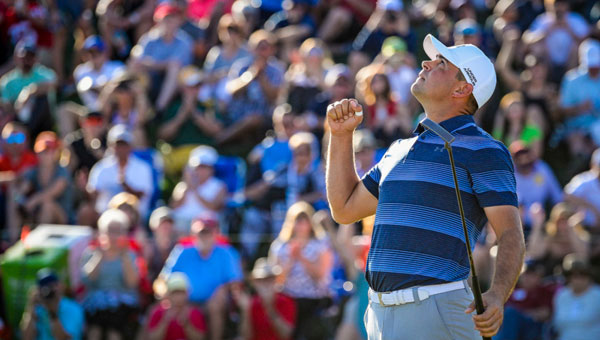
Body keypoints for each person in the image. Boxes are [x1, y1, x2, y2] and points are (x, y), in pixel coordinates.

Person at [326, 34, 525, 339]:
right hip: (379, 312)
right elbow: (344, 208)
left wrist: (497, 294)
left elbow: (510, 232)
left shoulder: (486, 149)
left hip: (437, 309)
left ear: (462, 88)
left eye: (441, 63)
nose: (426, 62)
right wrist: (341, 137)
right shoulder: (398, 148)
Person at [157, 215, 242, 340]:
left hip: (214, 303)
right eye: (201, 232)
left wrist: (223, 289)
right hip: (184, 301)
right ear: (193, 234)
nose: (204, 236)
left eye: (208, 232)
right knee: (157, 311)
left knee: (215, 305)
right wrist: (164, 295)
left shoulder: (226, 252)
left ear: (216, 233)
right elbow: (163, 279)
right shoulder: (182, 251)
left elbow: (235, 282)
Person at [269, 201, 333, 340]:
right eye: (297, 221)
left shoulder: (320, 245)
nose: (300, 226)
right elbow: (276, 279)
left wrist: (301, 257)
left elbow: (321, 275)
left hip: (314, 298)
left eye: (304, 221)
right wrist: (291, 259)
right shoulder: (280, 247)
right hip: (287, 298)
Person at [80, 209, 141, 340]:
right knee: (94, 331)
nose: (113, 235)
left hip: (122, 304)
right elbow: (87, 280)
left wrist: (124, 256)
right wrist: (100, 255)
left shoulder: (130, 255)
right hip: (96, 303)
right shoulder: (91, 253)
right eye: (110, 230)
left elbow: (131, 283)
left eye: (118, 231)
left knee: (114, 332)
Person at [130, 2, 193, 111]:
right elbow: (138, 62)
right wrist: (163, 64)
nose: (169, 23)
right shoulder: (149, 39)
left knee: (174, 68)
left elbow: (177, 65)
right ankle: (145, 110)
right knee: (134, 68)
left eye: (173, 19)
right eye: (166, 19)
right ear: (158, 21)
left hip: (176, 83)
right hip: (151, 78)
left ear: (178, 21)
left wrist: (152, 64)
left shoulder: (184, 41)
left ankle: (159, 109)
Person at [86, 124, 154, 219]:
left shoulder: (142, 168)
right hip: (104, 215)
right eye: (117, 145)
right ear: (111, 146)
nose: (121, 149)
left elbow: (143, 195)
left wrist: (125, 186)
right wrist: (88, 190)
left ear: (130, 146)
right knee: (85, 212)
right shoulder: (101, 168)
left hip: (134, 216)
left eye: (124, 145)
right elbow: (92, 193)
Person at [0, 39, 57, 139]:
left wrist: (28, 92)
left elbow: (53, 84)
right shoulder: (7, 82)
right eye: (24, 57)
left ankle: (28, 134)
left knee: (42, 98)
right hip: (18, 122)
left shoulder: (43, 74)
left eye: (30, 57)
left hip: (43, 123)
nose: (27, 60)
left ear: (36, 58)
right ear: (16, 58)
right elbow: (7, 106)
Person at [233, 257, 296, 340]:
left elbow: (286, 335)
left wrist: (270, 309)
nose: (265, 284)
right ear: (254, 283)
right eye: (261, 280)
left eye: (269, 279)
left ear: (275, 280)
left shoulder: (286, 301)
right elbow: (246, 336)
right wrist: (245, 311)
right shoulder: (251, 303)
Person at [18, 131, 73, 224]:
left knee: (47, 204)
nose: (47, 154)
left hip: (64, 218)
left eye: (51, 150)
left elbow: (52, 192)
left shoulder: (62, 171)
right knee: (15, 203)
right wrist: (18, 198)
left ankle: (40, 236)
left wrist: (34, 200)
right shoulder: (33, 172)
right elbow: (21, 191)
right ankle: (13, 235)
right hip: (38, 214)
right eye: (44, 151)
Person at [171, 145, 228, 234]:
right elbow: (174, 205)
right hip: (181, 224)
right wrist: (186, 186)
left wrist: (195, 190)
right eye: (196, 167)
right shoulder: (183, 185)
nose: (198, 170)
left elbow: (214, 207)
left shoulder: (219, 186)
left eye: (203, 167)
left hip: (205, 226)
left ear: (211, 169)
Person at [21, 269, 85, 340]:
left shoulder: (73, 308)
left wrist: (52, 312)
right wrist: (30, 306)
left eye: (52, 285)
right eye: (44, 286)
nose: (48, 290)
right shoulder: (37, 309)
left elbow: (64, 338)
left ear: (61, 286)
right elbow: (26, 337)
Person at [146, 272, 207, 340]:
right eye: (175, 293)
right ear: (168, 294)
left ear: (187, 294)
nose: (178, 297)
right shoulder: (158, 312)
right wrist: (165, 321)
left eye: (181, 292)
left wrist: (186, 324)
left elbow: (200, 338)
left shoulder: (195, 313)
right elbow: (152, 338)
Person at [552, 255, 600, 340]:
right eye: (574, 275)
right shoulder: (561, 296)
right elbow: (556, 325)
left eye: (583, 274)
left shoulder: (597, 295)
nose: (578, 279)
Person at [564, 148, 600, 229]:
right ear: (593, 165)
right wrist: (592, 208)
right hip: (583, 229)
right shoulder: (584, 180)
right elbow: (567, 195)